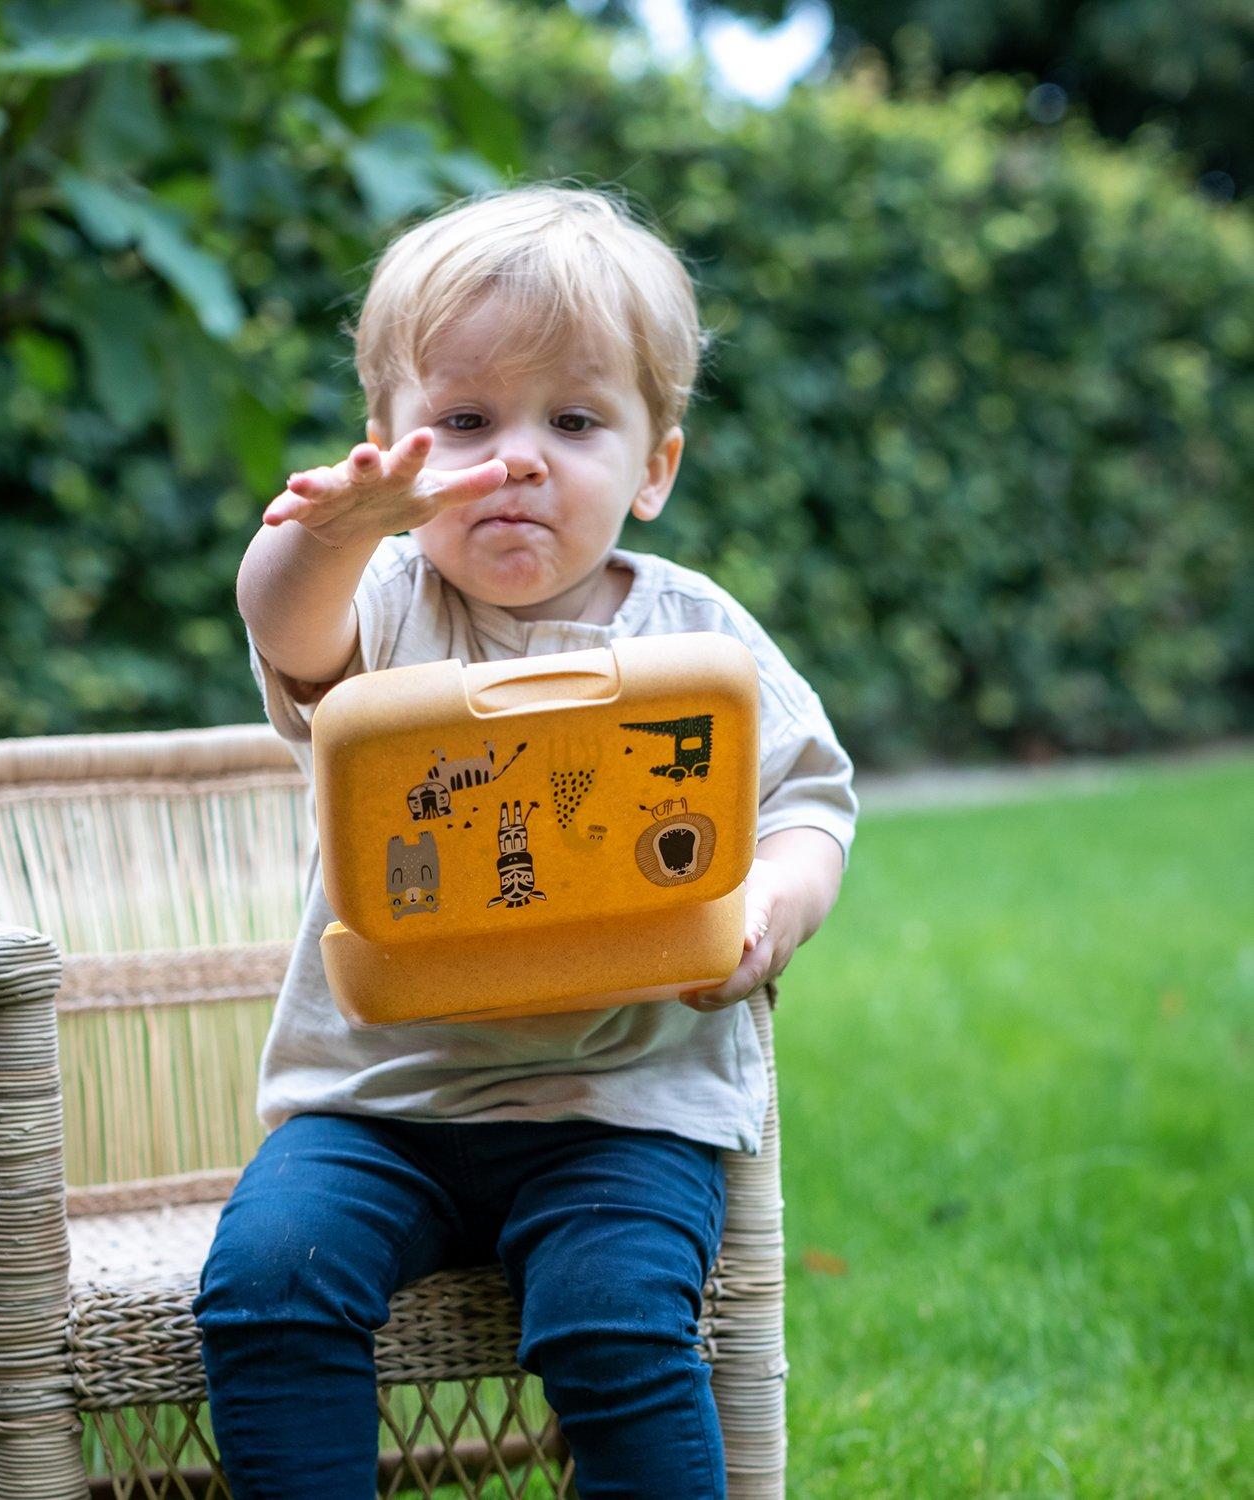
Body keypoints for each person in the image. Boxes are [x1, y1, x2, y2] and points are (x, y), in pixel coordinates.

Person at [193, 183, 858, 1499]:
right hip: (378, 1105)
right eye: (463, 420)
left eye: (572, 419)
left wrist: (772, 902)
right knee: (270, 1284)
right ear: (388, 442)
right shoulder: (381, 603)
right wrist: (324, 535)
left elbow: (809, 799)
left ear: (653, 465)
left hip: (621, 1106)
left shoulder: (697, 639)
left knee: (614, 1322)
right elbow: (286, 630)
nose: (516, 459)